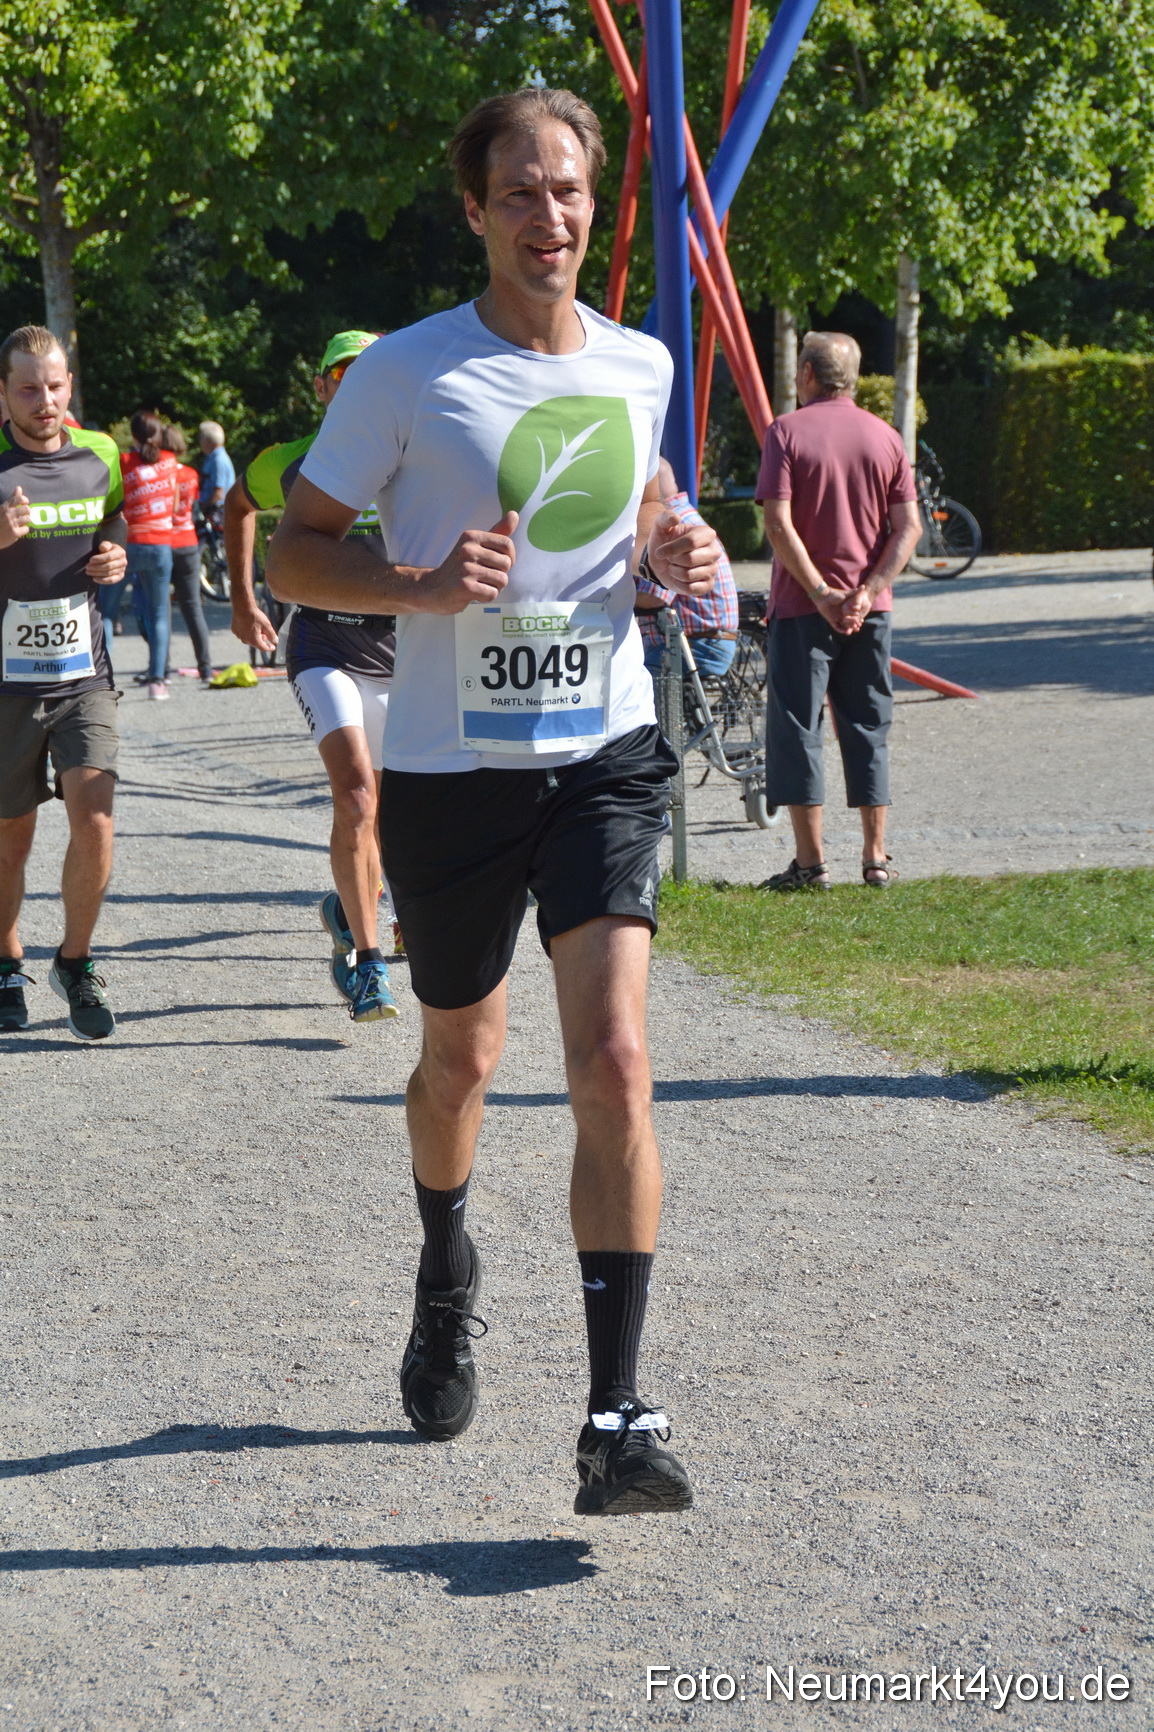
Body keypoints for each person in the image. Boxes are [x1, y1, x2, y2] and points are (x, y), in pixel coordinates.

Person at [266, 88, 721, 1515]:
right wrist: (409, 587)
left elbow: (638, 498)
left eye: (571, 191)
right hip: (452, 776)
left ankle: (616, 1415)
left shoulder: (643, 362)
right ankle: (444, 1254)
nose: (550, 217)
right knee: (458, 1063)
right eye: (519, 193)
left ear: (597, 206)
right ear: (475, 211)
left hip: (605, 752)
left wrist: (677, 548)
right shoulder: (408, 373)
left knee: (618, 1063)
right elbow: (294, 557)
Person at [224, 329, 400, 1024]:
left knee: (394, 812)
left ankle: (347, 905)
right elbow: (239, 506)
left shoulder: (417, 448)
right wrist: (243, 600)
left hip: (403, 653)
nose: (358, 384)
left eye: (372, 372)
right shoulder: (291, 461)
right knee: (356, 797)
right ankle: (368, 963)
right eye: (344, 374)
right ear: (323, 387)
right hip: (324, 645)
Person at [755, 331, 921, 889]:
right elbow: (908, 529)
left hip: (804, 609)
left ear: (805, 374)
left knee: (799, 728)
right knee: (869, 725)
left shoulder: (786, 432)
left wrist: (822, 593)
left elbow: (778, 522)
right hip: (869, 611)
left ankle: (810, 864)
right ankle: (875, 859)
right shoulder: (886, 437)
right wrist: (868, 591)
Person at [0, 323, 127, 1040]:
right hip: (6, 687)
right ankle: (4, 958)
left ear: (69, 385)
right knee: (10, 842)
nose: (43, 401)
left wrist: (114, 553)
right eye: (27, 388)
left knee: (96, 817)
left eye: (53, 386)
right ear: (3, 393)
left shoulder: (100, 453)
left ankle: (74, 962)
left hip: (84, 675)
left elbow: (114, 522)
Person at [633, 457, 739, 678]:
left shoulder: (671, 525)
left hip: (697, 646)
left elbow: (653, 598)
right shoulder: (689, 516)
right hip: (714, 641)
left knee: (627, 678)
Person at [117, 411, 177, 701]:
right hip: (161, 545)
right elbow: (175, 503)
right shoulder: (170, 461)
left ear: (133, 436)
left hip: (129, 543)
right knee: (159, 615)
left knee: (106, 611)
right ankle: (157, 682)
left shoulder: (123, 462)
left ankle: (101, 681)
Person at [159, 423, 214, 684]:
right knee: (193, 608)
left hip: (163, 542)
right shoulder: (191, 473)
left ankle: (161, 669)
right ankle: (205, 667)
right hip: (188, 541)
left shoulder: (156, 474)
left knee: (160, 610)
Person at [197, 422, 234, 525]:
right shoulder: (213, 458)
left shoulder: (218, 460)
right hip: (215, 511)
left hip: (216, 513)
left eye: (201, 438)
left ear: (207, 440)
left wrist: (204, 509)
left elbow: (218, 493)